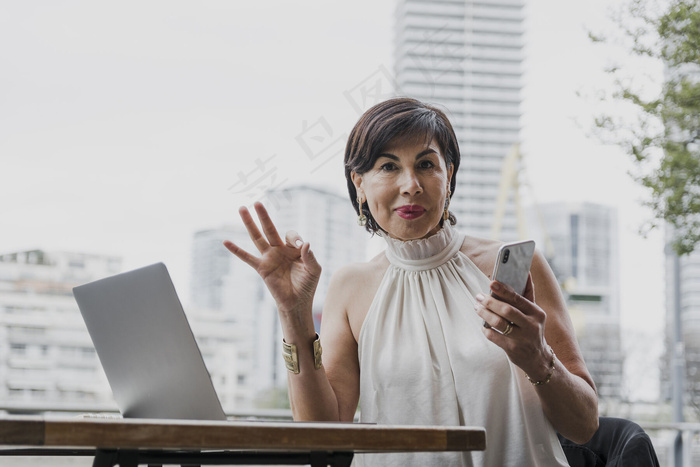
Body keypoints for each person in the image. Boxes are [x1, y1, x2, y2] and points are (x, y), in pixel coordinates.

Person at [224, 97, 599, 466]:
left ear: (448, 176)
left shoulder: (521, 265)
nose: (411, 184)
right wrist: (293, 312)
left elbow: (584, 426)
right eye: (388, 166)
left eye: (425, 164)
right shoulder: (351, 287)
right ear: (360, 185)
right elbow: (322, 434)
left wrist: (537, 359)